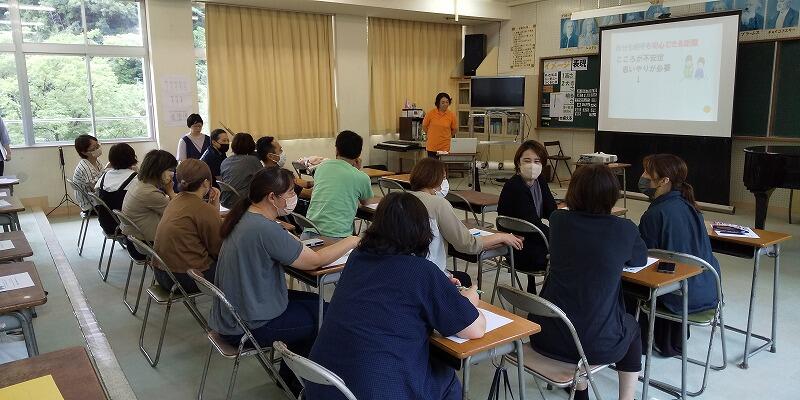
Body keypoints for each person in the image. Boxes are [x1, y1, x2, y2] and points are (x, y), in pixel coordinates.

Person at [306, 192, 486, 400]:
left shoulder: (357, 258)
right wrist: (469, 298)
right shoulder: (421, 271)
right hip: (374, 390)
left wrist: (439, 288)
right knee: (445, 377)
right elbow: (474, 329)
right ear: (423, 231)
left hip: (323, 384)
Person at [210, 167, 359, 395]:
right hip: (248, 324)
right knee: (324, 316)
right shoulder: (264, 228)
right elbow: (315, 261)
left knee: (319, 304)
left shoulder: (245, 217)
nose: (293, 197)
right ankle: (302, 385)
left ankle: (290, 376)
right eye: (289, 192)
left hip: (237, 312)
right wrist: (352, 240)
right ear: (272, 197)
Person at [531, 165, 646, 400]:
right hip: (595, 345)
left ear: (573, 192)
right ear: (612, 196)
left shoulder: (558, 220)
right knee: (632, 328)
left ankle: (580, 393)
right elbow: (639, 259)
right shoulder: (623, 229)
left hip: (546, 334)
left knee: (579, 314)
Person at [637, 154, 721, 357]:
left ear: (664, 181)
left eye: (647, 172)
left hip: (678, 297)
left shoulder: (655, 214)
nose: (643, 176)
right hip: (708, 291)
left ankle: (639, 340)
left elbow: (642, 260)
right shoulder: (691, 206)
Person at [409, 158, 523, 287]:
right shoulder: (438, 204)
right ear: (434, 179)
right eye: (444, 178)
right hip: (427, 276)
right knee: (465, 280)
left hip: (405, 271)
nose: (445, 182)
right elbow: (468, 244)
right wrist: (502, 236)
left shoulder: (402, 200)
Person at [497, 140, 557, 294]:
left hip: (533, 242)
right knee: (564, 257)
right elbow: (533, 225)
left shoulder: (540, 181)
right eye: (527, 160)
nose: (532, 165)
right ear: (518, 163)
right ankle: (546, 300)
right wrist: (560, 237)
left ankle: (543, 296)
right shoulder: (514, 187)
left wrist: (564, 222)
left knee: (563, 249)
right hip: (517, 249)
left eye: (537, 161)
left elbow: (552, 210)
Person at [153, 159, 221, 293]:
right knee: (239, 264)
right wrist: (214, 210)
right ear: (206, 183)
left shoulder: (175, 200)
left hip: (161, 272)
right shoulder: (204, 209)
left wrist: (213, 210)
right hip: (187, 278)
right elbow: (218, 250)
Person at [305, 130, 373, 238]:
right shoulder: (361, 177)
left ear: (336, 149)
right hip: (336, 236)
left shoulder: (321, 167)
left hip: (309, 232)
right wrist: (356, 170)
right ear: (359, 154)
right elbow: (366, 203)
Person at [121, 150, 177, 243]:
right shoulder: (150, 193)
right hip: (148, 243)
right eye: (170, 170)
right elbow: (177, 214)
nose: (172, 174)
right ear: (159, 170)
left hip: (134, 239)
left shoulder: (138, 183)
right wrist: (170, 191)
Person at [256, 136, 312, 214]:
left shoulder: (267, 172)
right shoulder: (278, 178)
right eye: (280, 150)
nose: (283, 153)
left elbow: (304, 183)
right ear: (271, 156)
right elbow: (307, 193)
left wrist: (316, 182)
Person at [95, 143, 138, 234]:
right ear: (133, 158)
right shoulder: (135, 178)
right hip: (126, 227)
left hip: (106, 224)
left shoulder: (104, 176)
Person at [219, 132, 262, 209]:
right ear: (251, 145)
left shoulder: (225, 161)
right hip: (240, 202)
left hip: (225, 200)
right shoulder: (252, 160)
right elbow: (264, 180)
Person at [72, 134, 104, 212]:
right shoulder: (85, 167)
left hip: (95, 200)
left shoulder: (96, 161)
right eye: (94, 148)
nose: (98, 149)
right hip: (91, 205)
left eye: (98, 146)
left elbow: (102, 177)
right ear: (84, 152)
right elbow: (96, 189)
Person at [422, 93, 457, 158]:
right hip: (432, 147)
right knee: (432, 164)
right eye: (443, 102)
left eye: (447, 102)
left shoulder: (451, 115)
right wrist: (431, 134)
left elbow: (454, 129)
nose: (445, 104)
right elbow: (424, 126)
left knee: (443, 164)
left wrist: (447, 136)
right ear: (438, 103)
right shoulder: (430, 113)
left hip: (445, 147)